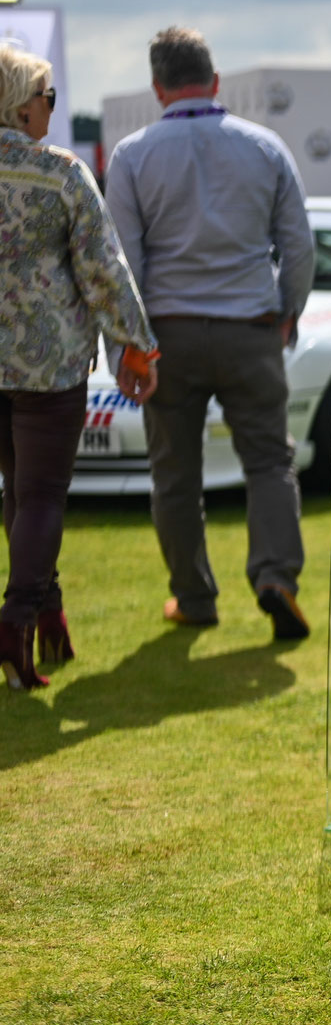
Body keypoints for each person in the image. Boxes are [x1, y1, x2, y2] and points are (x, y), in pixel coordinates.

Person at [103, 27, 315, 641]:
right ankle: (277, 576)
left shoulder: (133, 154)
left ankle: (194, 597)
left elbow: (123, 265)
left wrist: (125, 346)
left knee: (174, 474)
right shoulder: (266, 147)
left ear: (157, 87)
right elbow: (299, 248)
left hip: (168, 334)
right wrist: (286, 312)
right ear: (215, 80)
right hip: (250, 327)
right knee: (270, 463)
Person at [0, 45, 158, 689]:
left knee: (18, 494)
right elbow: (103, 269)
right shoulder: (60, 173)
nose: (51, 109)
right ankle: (13, 622)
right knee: (39, 496)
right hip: (49, 363)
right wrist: (135, 346)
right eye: (47, 96)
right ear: (21, 101)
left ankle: (47, 611)